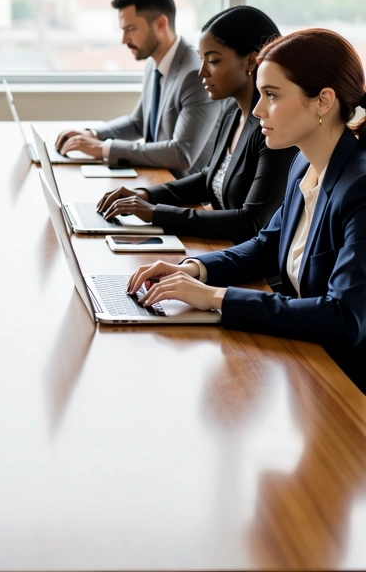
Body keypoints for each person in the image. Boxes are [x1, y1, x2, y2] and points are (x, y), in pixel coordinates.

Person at [127, 28, 366, 393]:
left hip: (346, 385)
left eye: (271, 95)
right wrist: (192, 268)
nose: (257, 109)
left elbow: (343, 317)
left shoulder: (360, 189)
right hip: (307, 366)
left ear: (323, 101)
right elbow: (266, 245)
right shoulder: (304, 165)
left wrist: (214, 297)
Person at [98, 6, 297, 242]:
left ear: (251, 62)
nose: (202, 72)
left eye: (212, 61)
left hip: (250, 267)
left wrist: (156, 214)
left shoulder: (272, 130)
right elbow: (208, 179)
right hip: (220, 248)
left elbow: (251, 222)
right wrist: (145, 196)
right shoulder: (233, 111)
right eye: (202, 60)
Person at [55, 0, 219, 176]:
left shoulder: (195, 75)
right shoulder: (154, 64)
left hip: (184, 194)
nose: (124, 40)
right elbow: (138, 122)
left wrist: (102, 149)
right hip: (154, 178)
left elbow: (181, 154)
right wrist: (92, 135)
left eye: (131, 29)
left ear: (160, 24)